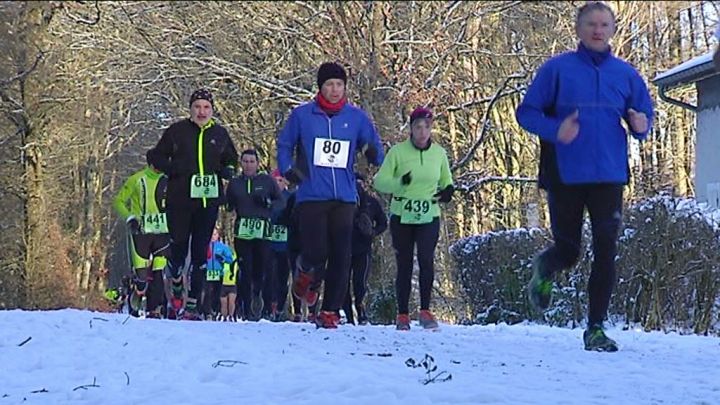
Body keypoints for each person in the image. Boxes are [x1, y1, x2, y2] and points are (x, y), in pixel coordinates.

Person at [515, 1, 653, 352]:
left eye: (604, 24)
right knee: (570, 250)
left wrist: (641, 125)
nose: (597, 30)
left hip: (609, 173)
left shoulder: (626, 74)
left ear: (613, 30)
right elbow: (526, 112)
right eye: (591, 23)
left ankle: (595, 329)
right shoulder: (557, 70)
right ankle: (546, 267)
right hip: (566, 172)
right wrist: (555, 128)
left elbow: (644, 115)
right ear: (578, 29)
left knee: (607, 250)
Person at [276, 62, 384, 328]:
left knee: (341, 254)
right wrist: (288, 170)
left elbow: (376, 148)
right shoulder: (302, 115)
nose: (335, 90)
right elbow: (285, 144)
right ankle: (305, 272)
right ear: (320, 87)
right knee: (317, 250)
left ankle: (330, 311)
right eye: (329, 85)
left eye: (339, 85)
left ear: (345, 87)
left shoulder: (356, 117)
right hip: (312, 193)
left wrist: (372, 152)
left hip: (345, 196)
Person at [146, 89, 239, 320]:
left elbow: (232, 159)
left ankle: (193, 305)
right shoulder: (177, 132)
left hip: (208, 202)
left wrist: (228, 170)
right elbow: (155, 156)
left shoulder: (220, 134)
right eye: (197, 106)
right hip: (179, 200)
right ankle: (176, 277)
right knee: (178, 247)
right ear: (190, 109)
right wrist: (173, 169)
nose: (202, 111)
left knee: (200, 254)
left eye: (206, 107)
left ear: (212, 110)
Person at [373, 107, 454, 331]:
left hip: (429, 214)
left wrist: (448, 190)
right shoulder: (398, 153)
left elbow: (447, 179)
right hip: (402, 215)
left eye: (426, 127)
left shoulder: (439, 153)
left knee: (427, 259)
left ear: (431, 129)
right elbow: (379, 182)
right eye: (418, 127)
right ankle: (402, 314)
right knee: (405, 263)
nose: (422, 132)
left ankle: (426, 311)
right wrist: (400, 183)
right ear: (410, 128)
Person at [226, 149, 283, 321]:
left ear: (257, 164)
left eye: (252, 161)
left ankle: (260, 298)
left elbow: (280, 202)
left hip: (262, 231)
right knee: (245, 268)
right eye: (245, 161)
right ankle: (245, 305)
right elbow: (228, 205)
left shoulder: (267, 181)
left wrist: (267, 203)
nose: (248, 165)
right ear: (241, 164)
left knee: (262, 268)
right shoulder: (235, 183)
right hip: (242, 231)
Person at [113, 156, 171, 319]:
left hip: (162, 231)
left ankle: (154, 309)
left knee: (159, 271)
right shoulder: (136, 179)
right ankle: (136, 297)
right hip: (141, 232)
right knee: (142, 277)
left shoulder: (169, 180)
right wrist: (130, 218)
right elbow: (119, 201)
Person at [342, 176, 387, 325]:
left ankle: (360, 309)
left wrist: (373, 232)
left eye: (360, 183)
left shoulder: (371, 202)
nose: (358, 186)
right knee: (343, 283)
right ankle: (348, 314)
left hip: (363, 248)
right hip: (344, 248)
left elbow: (383, 222)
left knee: (360, 282)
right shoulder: (342, 201)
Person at [203, 227, 235, 320]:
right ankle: (207, 312)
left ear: (218, 236)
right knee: (207, 292)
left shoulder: (222, 247)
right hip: (207, 272)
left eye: (215, 234)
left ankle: (216, 311)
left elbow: (230, 259)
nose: (213, 236)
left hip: (218, 273)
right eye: (211, 234)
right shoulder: (205, 245)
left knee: (217, 293)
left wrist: (223, 258)